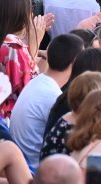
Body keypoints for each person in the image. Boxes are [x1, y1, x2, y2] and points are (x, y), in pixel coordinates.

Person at [9, 33, 83, 169]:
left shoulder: (37, 82)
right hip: (34, 170)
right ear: (75, 62)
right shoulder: (52, 96)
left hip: (24, 164)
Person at [0, 0, 49, 121]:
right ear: (24, 14)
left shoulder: (7, 41)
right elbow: (29, 88)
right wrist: (36, 42)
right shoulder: (13, 46)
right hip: (10, 119)